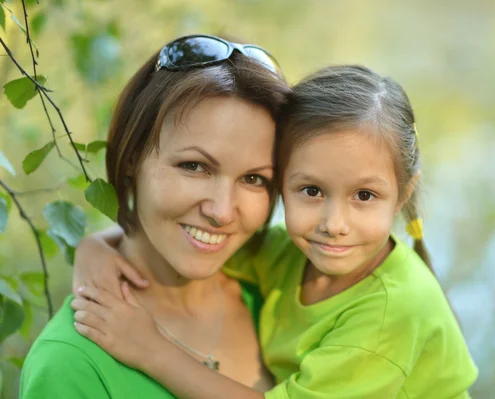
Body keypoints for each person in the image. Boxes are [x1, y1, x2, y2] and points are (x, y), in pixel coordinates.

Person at [69, 65, 478, 398]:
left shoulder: (393, 312)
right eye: (312, 191)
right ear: (281, 184)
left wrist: (151, 350)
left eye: (365, 195)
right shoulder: (285, 254)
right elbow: (191, 242)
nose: (333, 225)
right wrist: (94, 246)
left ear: (403, 193)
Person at [19, 34, 291, 398]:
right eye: (194, 166)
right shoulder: (71, 364)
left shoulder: (285, 302)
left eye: (254, 178)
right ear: (132, 156)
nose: (222, 212)